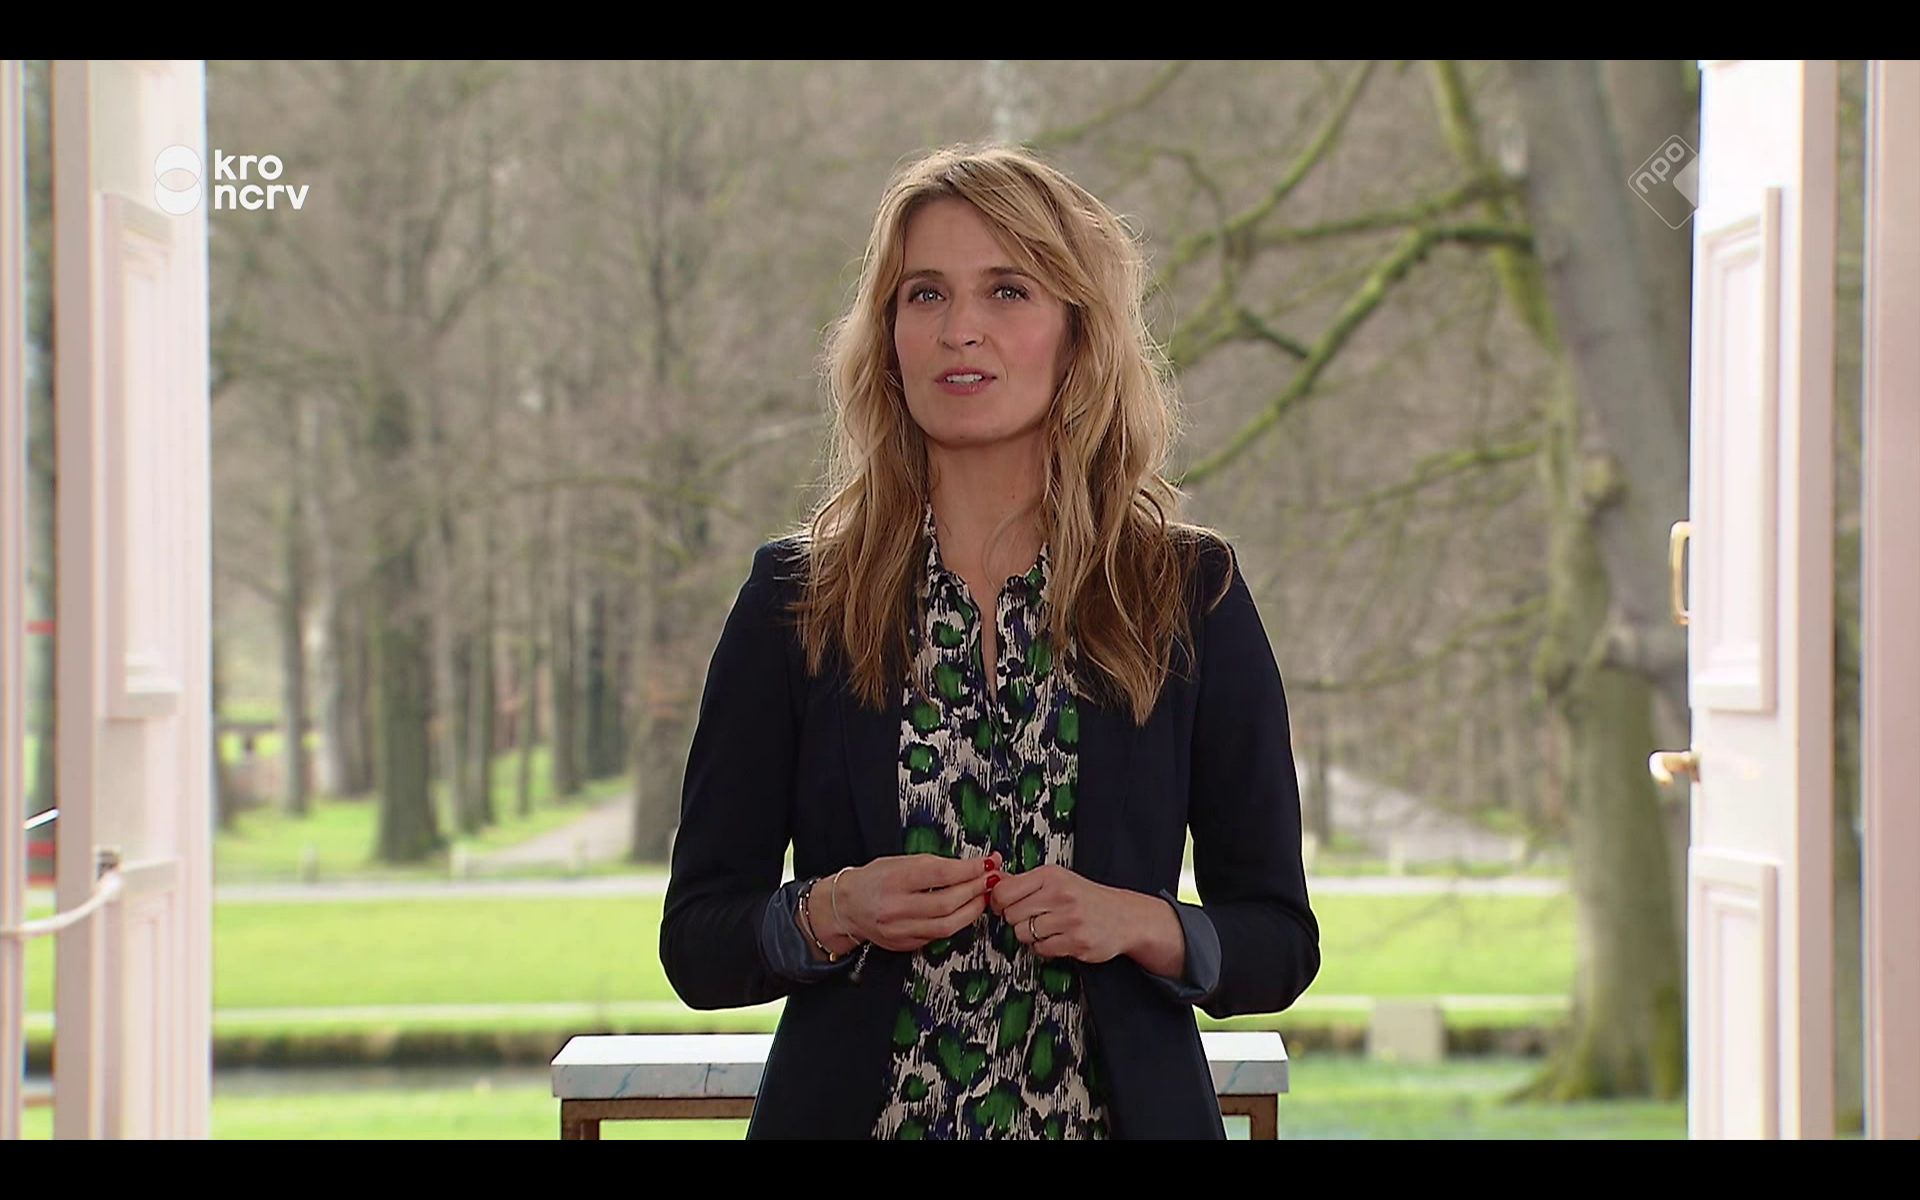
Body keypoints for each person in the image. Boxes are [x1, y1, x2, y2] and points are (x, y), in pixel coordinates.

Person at [661, 143, 1319, 1140]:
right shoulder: (798, 600)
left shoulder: (1186, 594)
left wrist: (1139, 923)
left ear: (1078, 334)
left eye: (1007, 291)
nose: (959, 328)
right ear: (888, 336)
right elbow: (699, 945)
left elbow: (1278, 943)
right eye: (924, 294)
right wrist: (833, 910)